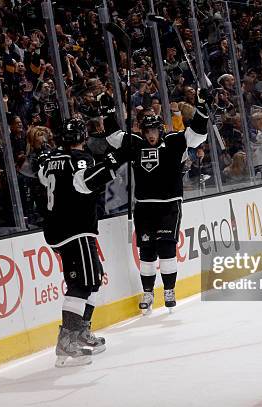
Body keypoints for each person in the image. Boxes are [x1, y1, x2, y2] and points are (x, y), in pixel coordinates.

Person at [107, 89, 209, 314]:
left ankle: (169, 290)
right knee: (147, 251)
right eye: (147, 131)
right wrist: (107, 109)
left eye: (154, 130)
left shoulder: (173, 142)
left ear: (160, 130)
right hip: (144, 206)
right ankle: (148, 292)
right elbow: (113, 137)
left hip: (169, 205)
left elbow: (197, 135)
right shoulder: (134, 143)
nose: (151, 135)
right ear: (142, 132)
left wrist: (202, 108)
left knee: (166, 248)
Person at [38, 118, 126, 367]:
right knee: (81, 283)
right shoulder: (80, 159)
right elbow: (86, 184)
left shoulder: (51, 160)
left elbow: (43, 174)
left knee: (93, 278)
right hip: (75, 227)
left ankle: (80, 332)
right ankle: (68, 340)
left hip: (59, 228)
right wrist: (113, 160)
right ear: (83, 136)